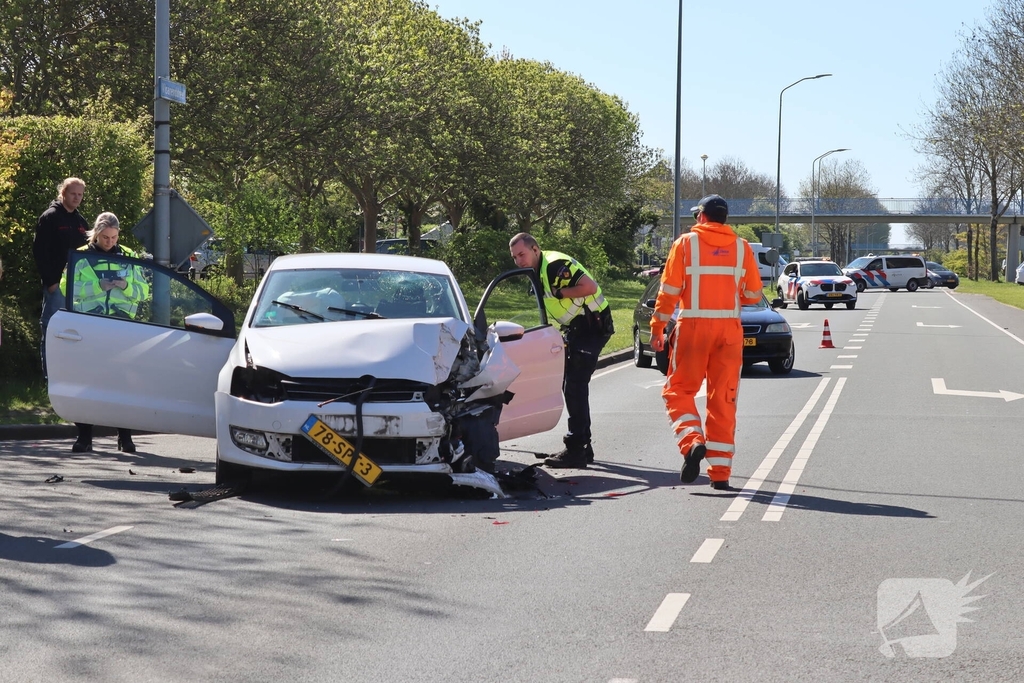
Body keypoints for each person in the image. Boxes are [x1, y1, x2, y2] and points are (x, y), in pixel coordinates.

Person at [649, 195, 763, 490]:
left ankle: (691, 442)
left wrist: (657, 328)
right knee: (723, 400)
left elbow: (669, 292)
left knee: (678, 390)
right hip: (729, 331)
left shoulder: (685, 244)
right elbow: (752, 295)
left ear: (701, 216)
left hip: (693, 328)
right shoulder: (742, 248)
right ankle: (721, 474)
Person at [509, 232, 614, 468]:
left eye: (522, 254)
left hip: (591, 326)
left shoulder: (555, 265)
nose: (518, 261)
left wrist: (560, 292)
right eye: (514, 257)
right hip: (579, 328)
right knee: (573, 387)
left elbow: (589, 286)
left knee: (574, 387)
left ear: (535, 249)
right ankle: (583, 447)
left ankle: (576, 449)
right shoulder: (538, 271)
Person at [61, 212, 150, 453]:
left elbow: (143, 292)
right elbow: (66, 287)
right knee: (87, 381)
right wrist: (98, 287)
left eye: (114, 237)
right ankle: (84, 437)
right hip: (90, 323)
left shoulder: (129, 256)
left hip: (122, 326)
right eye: (105, 237)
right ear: (96, 234)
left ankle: (125, 436)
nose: (110, 242)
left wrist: (126, 285)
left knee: (123, 383)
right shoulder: (81, 256)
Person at [32, 177, 89, 378]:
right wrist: (51, 283)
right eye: (73, 193)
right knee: (51, 331)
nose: (77, 198)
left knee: (74, 333)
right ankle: (49, 378)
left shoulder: (80, 222)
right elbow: (40, 252)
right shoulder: (50, 217)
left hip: (78, 288)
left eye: (80, 194)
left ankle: (70, 376)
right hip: (57, 286)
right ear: (63, 193)